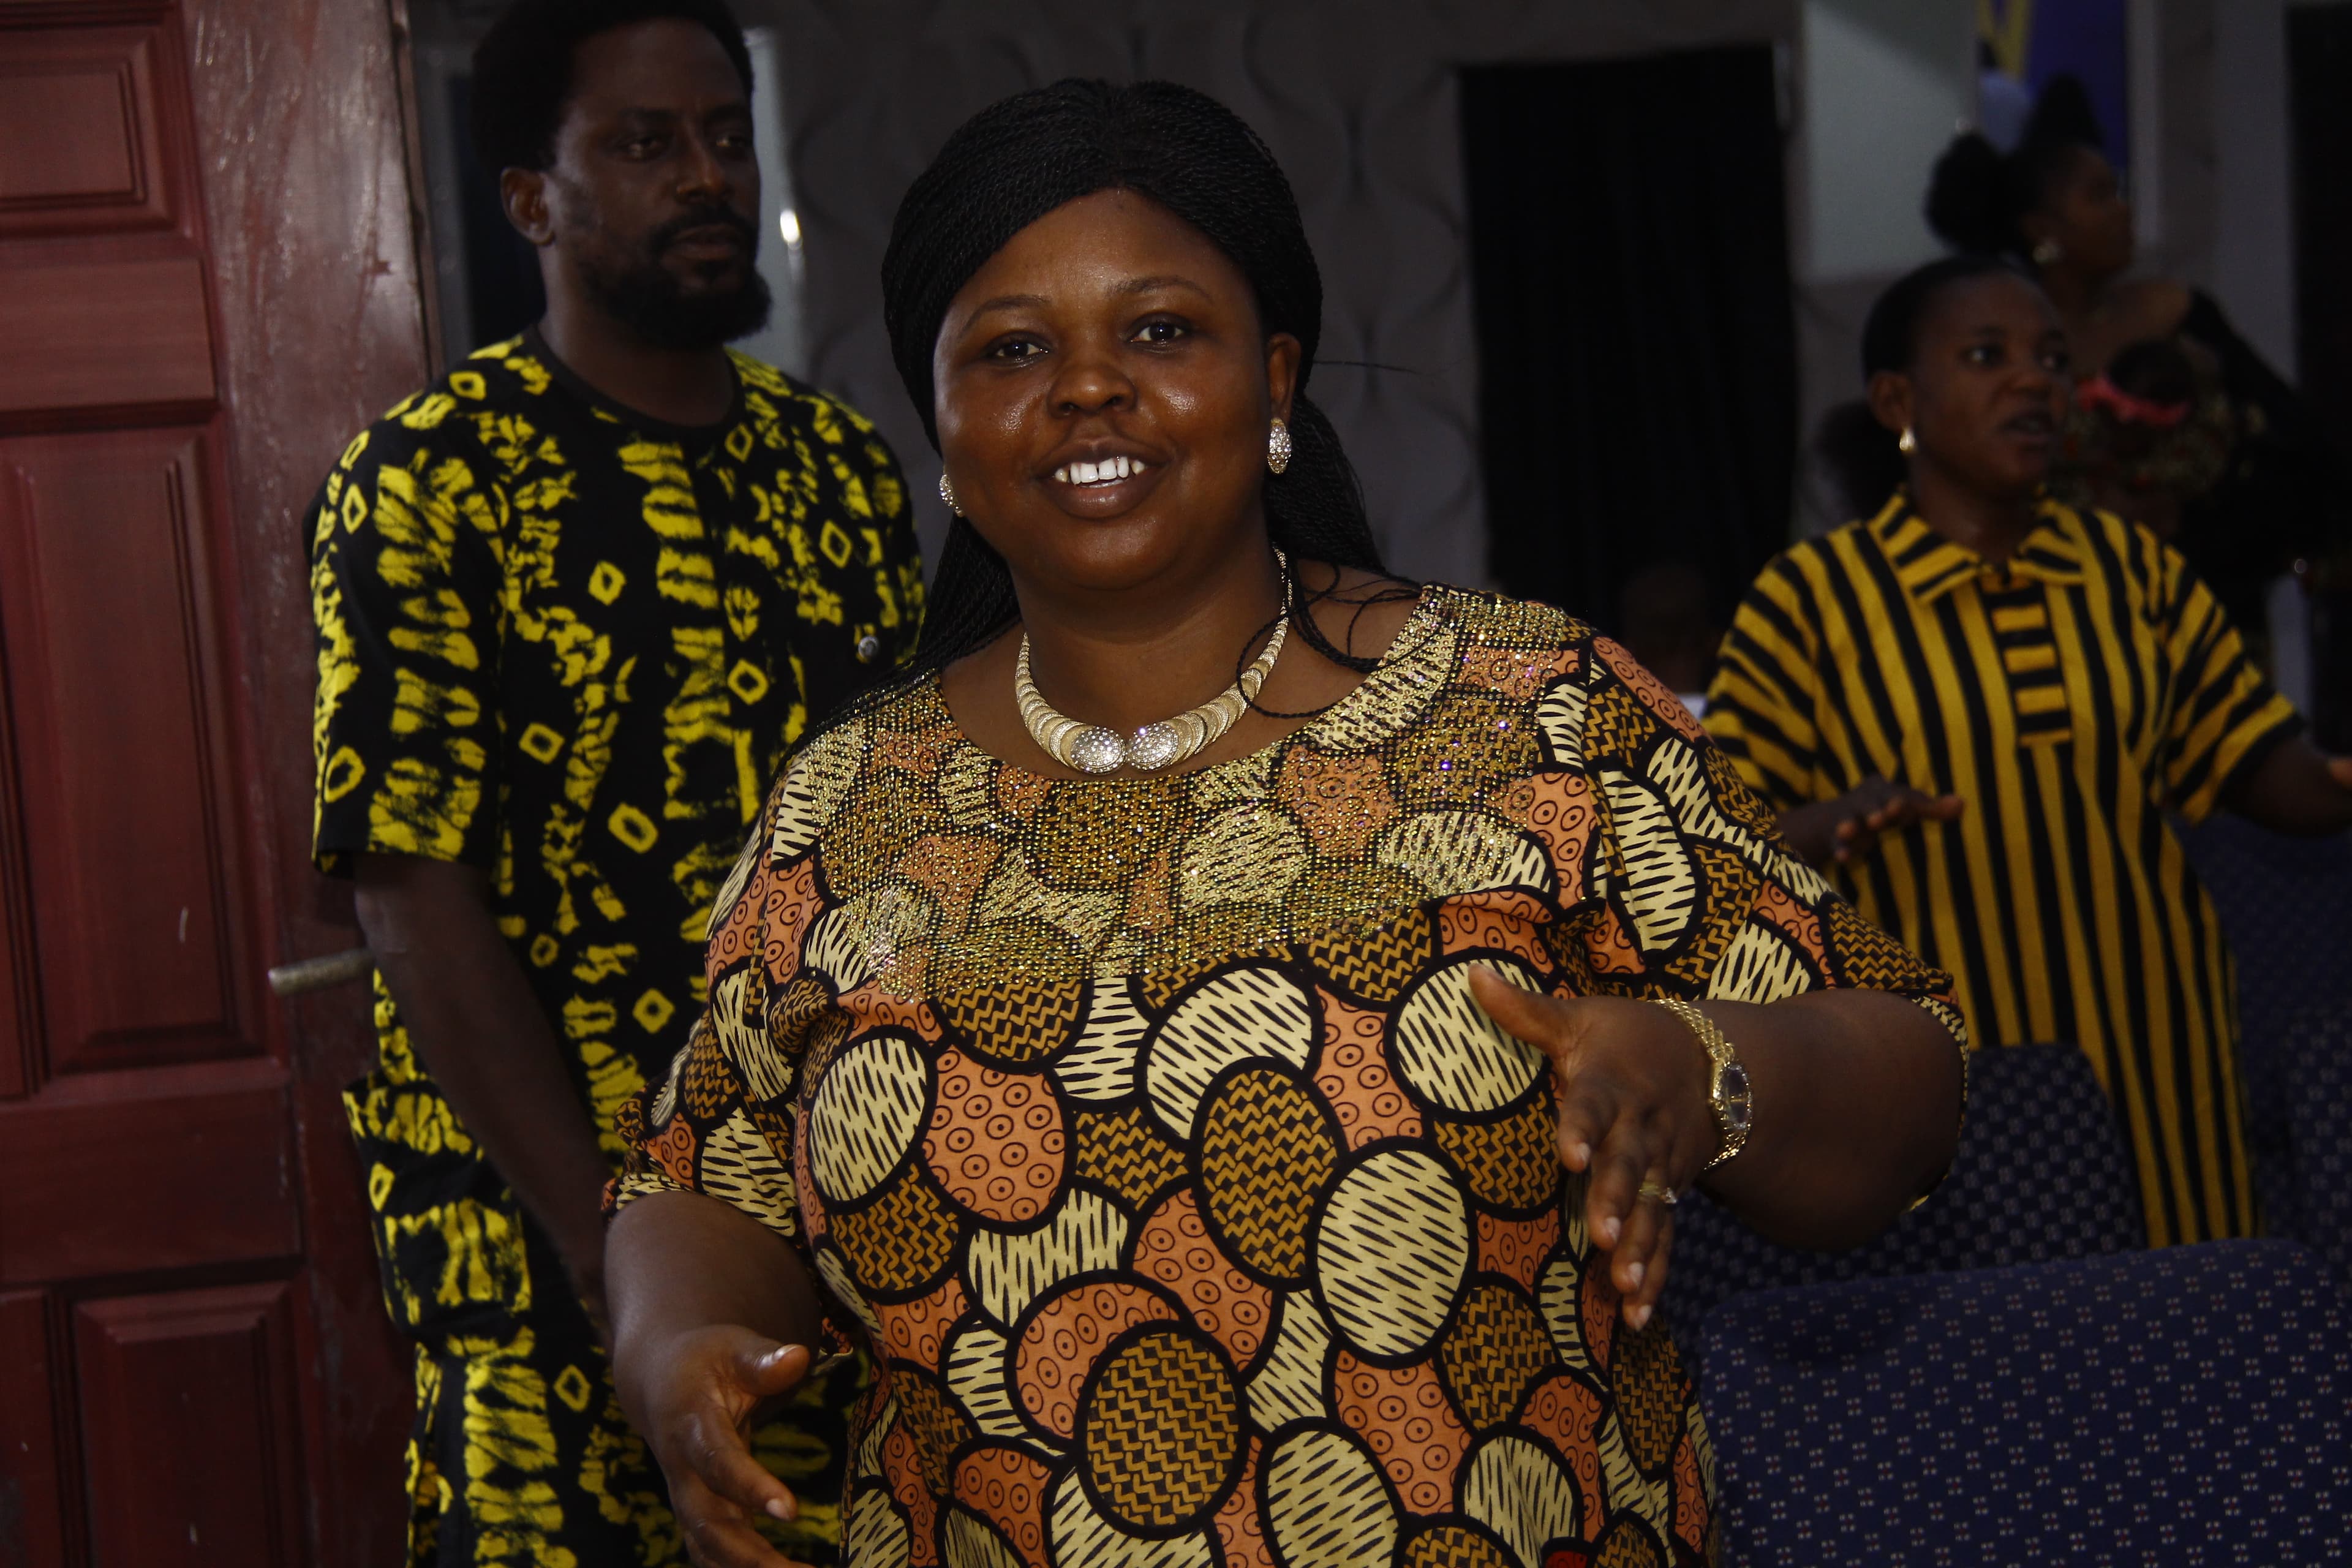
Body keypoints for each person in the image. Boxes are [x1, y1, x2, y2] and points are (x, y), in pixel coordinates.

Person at [601, 79, 1966, 1568]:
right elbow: (695, 1176)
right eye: (1010, 349)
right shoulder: (843, 806)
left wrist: (1706, 1071)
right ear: (941, 430)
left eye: (1160, 330)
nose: (1086, 388)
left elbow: (1905, 1063)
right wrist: (674, 1344)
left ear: (1274, 381)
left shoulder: (1526, 708)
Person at [308, 2, 922, 1561]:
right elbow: (408, 887)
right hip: (540, 1248)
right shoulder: (431, 480)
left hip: (827, 1217)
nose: (705, 177)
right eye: (644, 145)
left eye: (722, 136)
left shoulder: (836, 468)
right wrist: (611, 1260)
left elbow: (906, 831)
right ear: (532, 197)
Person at [1705, 256, 2352, 1249]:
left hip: (2161, 1057)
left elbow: (2264, 769)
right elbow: (1715, 848)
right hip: (1957, 1086)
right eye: (1985, 355)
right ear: (1897, 401)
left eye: (2052, 358)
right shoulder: (1809, 602)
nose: (2034, 381)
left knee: (2200, 1360)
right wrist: (1834, 824)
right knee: (2009, 1371)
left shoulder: (2133, 571)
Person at [1924, 74, 2351, 653]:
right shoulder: (2003, 353)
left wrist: (2198, 512)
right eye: (2100, 198)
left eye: (2120, 192)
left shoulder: (2178, 315)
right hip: (2063, 635)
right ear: (2042, 233)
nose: (2123, 213)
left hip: (2206, 619)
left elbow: (2294, 443)